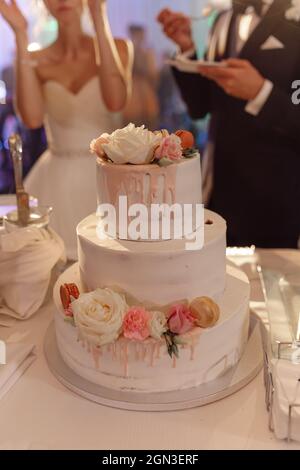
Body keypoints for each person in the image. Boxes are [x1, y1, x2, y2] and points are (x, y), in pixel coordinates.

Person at [158, 1, 300, 248]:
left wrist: (260, 93)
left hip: (276, 197)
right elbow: (201, 106)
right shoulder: (222, 18)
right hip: (221, 188)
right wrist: (187, 48)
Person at [0, 0, 133, 259]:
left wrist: (99, 14)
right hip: (55, 181)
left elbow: (116, 101)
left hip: (109, 178)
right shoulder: (36, 59)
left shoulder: (118, 48)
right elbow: (32, 119)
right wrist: (20, 34)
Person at [123, 24, 159, 130]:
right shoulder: (126, 53)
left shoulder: (148, 54)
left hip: (148, 101)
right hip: (131, 102)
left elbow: (154, 77)